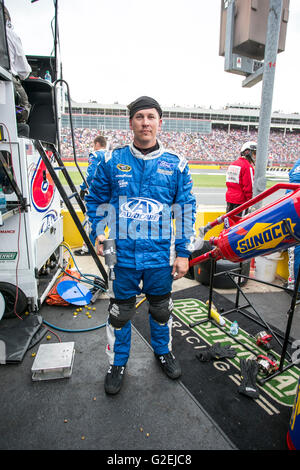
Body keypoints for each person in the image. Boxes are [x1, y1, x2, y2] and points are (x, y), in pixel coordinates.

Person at [86, 96, 196, 395]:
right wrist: (98, 230)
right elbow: (96, 199)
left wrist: (184, 254)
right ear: (130, 122)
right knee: (120, 312)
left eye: (150, 117)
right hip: (121, 253)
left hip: (161, 255)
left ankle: (163, 352)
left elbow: (184, 210)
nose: (145, 122)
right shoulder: (112, 160)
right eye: (139, 117)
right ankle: (117, 362)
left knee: (160, 310)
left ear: (160, 122)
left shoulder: (176, 165)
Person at [74, 135, 107, 256]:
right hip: (108, 194)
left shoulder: (95, 154)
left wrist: (83, 187)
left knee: (90, 218)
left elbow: (90, 174)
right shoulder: (111, 155)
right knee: (103, 218)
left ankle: (87, 248)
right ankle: (100, 245)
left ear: (97, 144)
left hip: (96, 192)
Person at [4, 7, 32, 137]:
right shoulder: (9, 34)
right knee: (23, 107)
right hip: (6, 80)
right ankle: (18, 130)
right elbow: (24, 71)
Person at [225, 141, 257, 214]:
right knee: (240, 224)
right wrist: (251, 202)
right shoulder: (247, 167)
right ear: (248, 153)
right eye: (254, 153)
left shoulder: (233, 164)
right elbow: (249, 188)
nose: (255, 156)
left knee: (229, 222)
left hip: (230, 199)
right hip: (241, 202)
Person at [287, 157, 300, 297]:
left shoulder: (297, 163)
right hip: (295, 210)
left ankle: (293, 285)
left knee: (294, 250)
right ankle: (295, 287)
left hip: (290, 209)